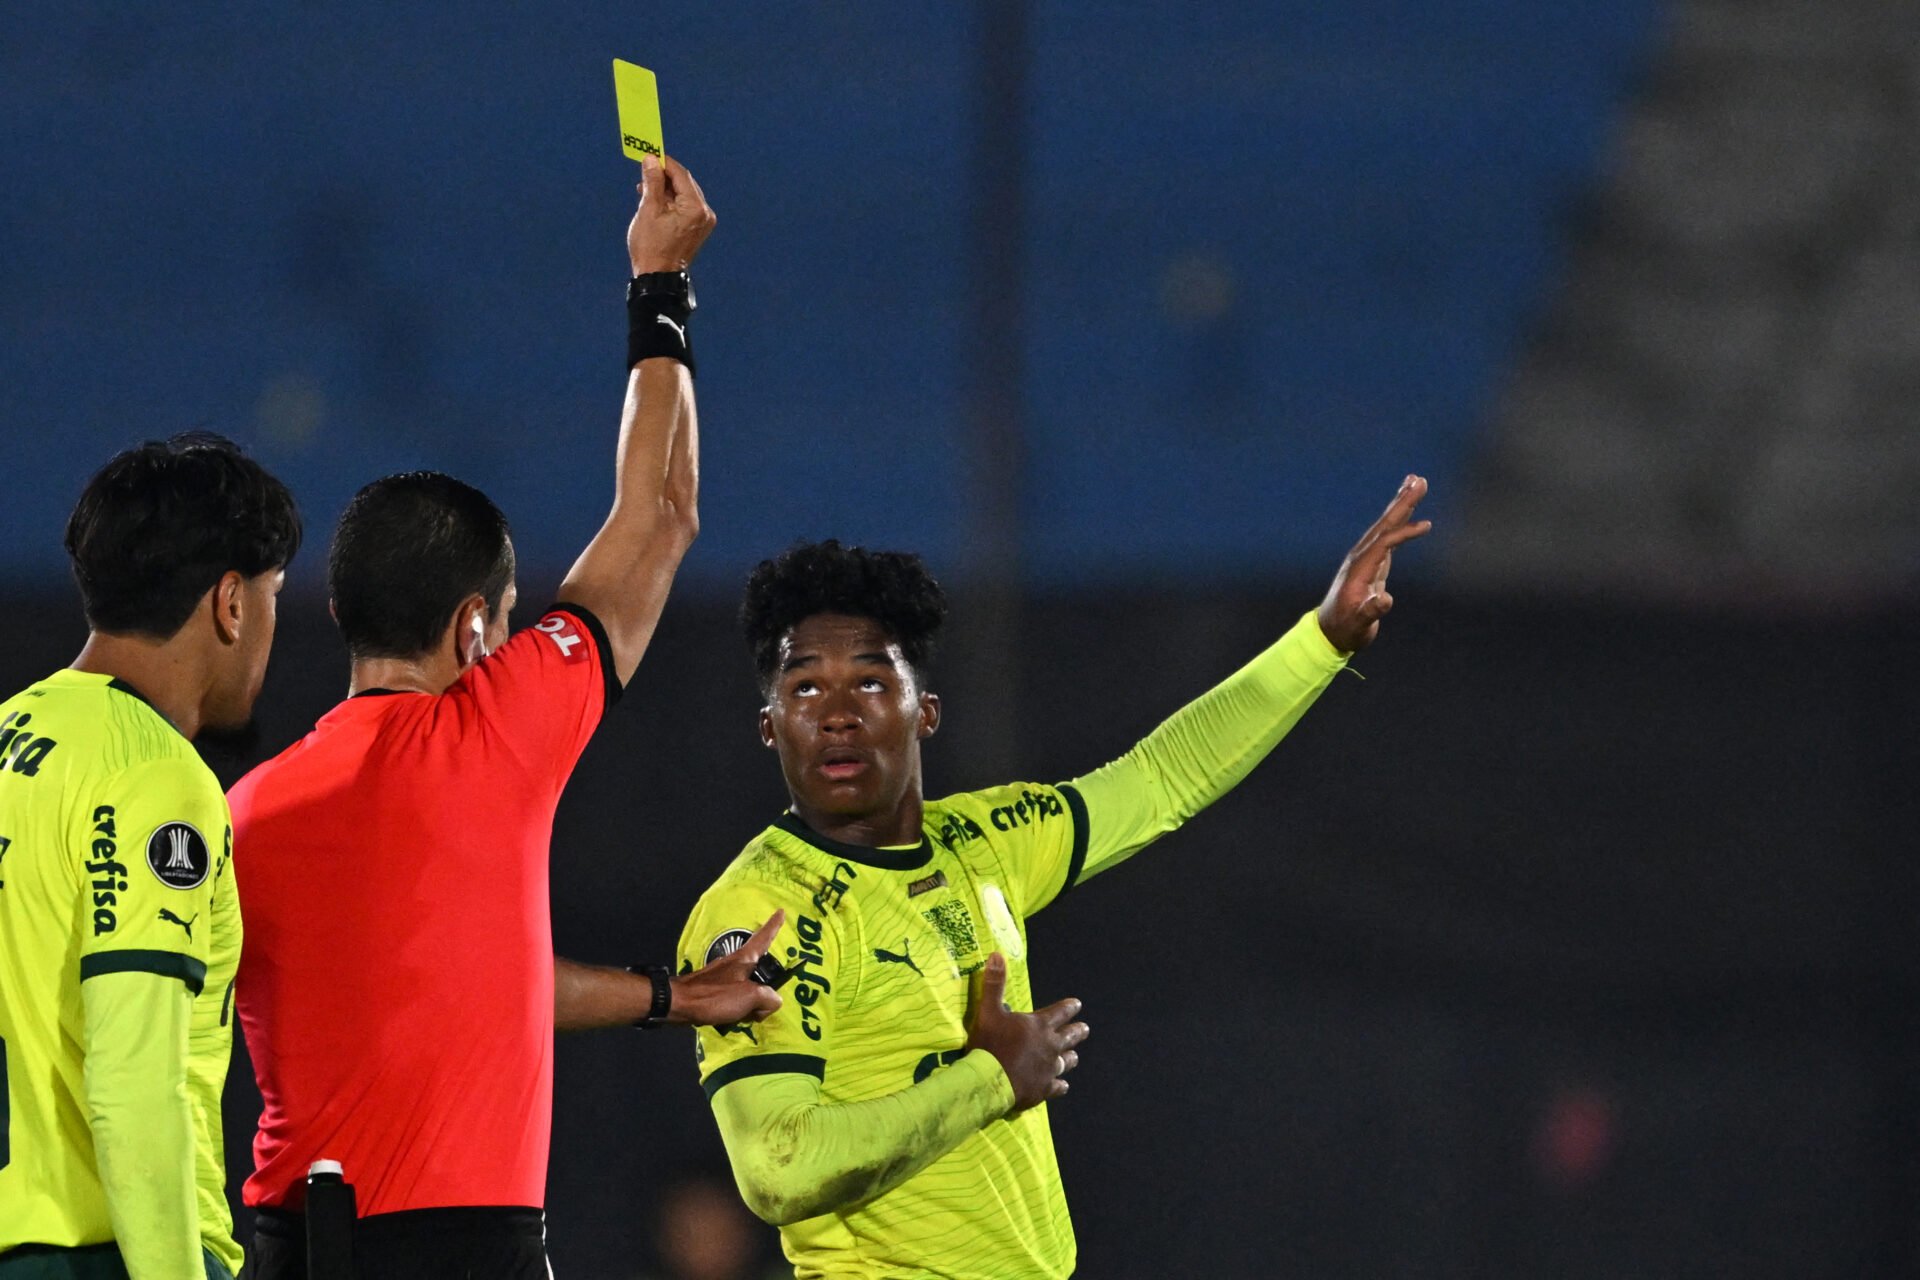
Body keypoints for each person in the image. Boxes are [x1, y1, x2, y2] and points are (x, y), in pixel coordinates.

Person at [228, 156, 776, 1280]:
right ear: (477, 627)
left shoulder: (243, 809)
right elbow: (663, 514)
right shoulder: (499, 730)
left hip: (282, 1245)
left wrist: (673, 998)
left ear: (341, 608)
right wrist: (658, 289)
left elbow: (482, 982)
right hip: (464, 1248)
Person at [677, 476, 1432, 1278]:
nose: (837, 711)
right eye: (804, 687)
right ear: (770, 728)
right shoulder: (762, 909)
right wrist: (990, 1078)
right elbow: (777, 1170)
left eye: (869, 680)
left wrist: (1320, 642)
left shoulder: (984, 840)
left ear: (923, 711)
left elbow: (1160, 781)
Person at [0, 435, 302, 1280]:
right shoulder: (154, 778)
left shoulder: (10, 739)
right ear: (231, 602)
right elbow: (135, 1085)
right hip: (105, 1255)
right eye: (275, 595)